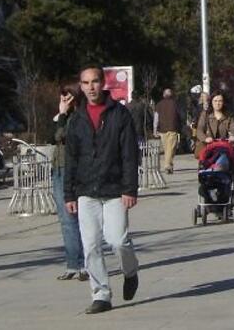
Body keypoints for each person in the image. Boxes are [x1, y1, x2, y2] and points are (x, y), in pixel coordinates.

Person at [63, 65, 140, 314]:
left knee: (118, 241)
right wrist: (69, 194)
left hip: (115, 189)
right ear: (81, 86)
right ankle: (101, 294)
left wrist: (130, 189)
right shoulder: (76, 119)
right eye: (85, 83)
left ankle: (130, 272)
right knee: (92, 246)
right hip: (86, 191)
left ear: (103, 83)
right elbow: (70, 158)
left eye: (95, 81)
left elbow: (129, 154)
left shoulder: (119, 114)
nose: (91, 87)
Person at [51, 87, 86, 282]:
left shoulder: (79, 117)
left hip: (71, 168)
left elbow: (61, 136)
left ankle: (83, 263)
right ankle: (73, 263)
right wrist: (60, 114)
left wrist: (63, 115)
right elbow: (52, 137)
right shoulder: (64, 116)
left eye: (68, 97)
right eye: (62, 96)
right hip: (58, 167)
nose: (64, 100)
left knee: (75, 217)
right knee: (65, 219)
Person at [153, 89, 181, 174]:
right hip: (173, 128)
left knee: (167, 149)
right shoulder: (175, 104)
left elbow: (156, 118)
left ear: (163, 95)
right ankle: (167, 166)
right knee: (170, 149)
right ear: (171, 95)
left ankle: (169, 166)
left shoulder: (159, 105)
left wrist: (155, 129)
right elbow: (179, 116)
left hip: (162, 130)